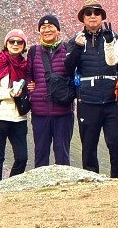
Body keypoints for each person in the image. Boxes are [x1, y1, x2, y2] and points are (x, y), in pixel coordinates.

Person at [64, 0, 118, 178]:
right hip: (88, 100)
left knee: (116, 141)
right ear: (83, 17)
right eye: (88, 13)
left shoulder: (113, 37)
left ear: (102, 17)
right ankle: (91, 177)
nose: (92, 16)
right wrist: (77, 48)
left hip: (113, 99)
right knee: (89, 143)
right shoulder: (75, 40)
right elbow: (67, 68)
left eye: (96, 13)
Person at [25, 13, 75, 167]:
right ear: (39, 31)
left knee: (62, 153)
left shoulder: (67, 49)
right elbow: (28, 76)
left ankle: (63, 188)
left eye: (50, 27)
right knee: (40, 153)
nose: (47, 30)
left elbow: (75, 73)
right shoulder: (33, 51)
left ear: (58, 30)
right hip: (40, 113)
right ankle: (42, 189)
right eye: (43, 27)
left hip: (64, 113)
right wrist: (30, 89)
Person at [0, 28, 30, 182]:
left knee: (22, 157)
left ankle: (11, 187)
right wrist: (9, 93)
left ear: (24, 45)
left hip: (18, 117)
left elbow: (30, 86)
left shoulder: (25, 65)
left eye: (19, 42)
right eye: (12, 41)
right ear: (6, 43)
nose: (15, 44)